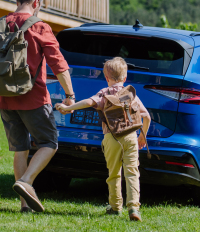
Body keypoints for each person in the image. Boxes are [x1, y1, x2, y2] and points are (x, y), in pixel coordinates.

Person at [0, 0, 75, 213]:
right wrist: (70, 94)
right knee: (49, 142)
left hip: (4, 98)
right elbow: (59, 65)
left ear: (17, 0)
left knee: (20, 149)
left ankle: (25, 205)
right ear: (37, 2)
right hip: (33, 98)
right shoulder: (40, 26)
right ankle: (26, 181)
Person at [55, 57, 151, 222]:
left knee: (114, 173)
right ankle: (134, 207)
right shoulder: (130, 93)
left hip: (112, 137)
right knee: (132, 172)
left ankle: (115, 207)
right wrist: (142, 136)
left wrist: (68, 108)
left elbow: (88, 102)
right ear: (125, 77)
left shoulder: (105, 93)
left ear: (106, 77)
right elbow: (146, 116)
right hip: (131, 137)